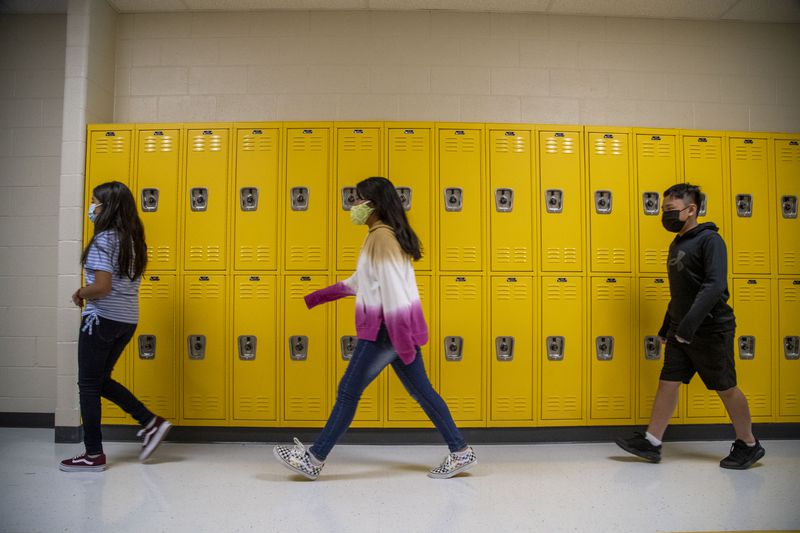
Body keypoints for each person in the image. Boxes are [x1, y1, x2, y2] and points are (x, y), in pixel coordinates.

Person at [273, 176, 476, 480]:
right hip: (397, 332)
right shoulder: (381, 235)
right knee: (423, 393)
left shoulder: (381, 238)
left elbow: (393, 291)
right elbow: (361, 282)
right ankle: (460, 452)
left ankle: (314, 459)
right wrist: (316, 297)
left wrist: (402, 344)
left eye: (357, 199)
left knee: (347, 392)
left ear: (374, 204)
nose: (352, 205)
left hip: (385, 332)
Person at [615, 183, 765, 469]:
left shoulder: (710, 241)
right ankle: (652, 442)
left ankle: (749, 443)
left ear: (691, 209)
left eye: (671, 210)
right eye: (663, 210)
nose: (665, 215)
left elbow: (713, 287)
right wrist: (667, 327)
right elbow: (681, 292)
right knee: (667, 382)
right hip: (681, 329)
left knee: (725, 387)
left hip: (710, 329)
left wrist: (687, 328)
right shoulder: (677, 243)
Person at [60, 181, 172, 472]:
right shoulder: (132, 240)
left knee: (88, 384)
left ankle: (93, 454)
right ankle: (150, 422)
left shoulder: (103, 240)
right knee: (99, 381)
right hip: (127, 320)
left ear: (107, 207)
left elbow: (102, 287)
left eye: (95, 202)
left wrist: (80, 292)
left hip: (101, 319)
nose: (92, 207)